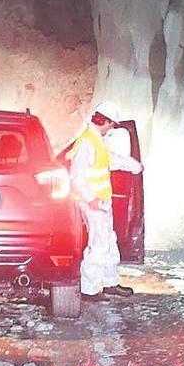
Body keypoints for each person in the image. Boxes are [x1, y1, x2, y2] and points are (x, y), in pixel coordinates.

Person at [65, 101, 144, 301]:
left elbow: (110, 159)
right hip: (92, 203)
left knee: (109, 242)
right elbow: (77, 177)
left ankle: (110, 283)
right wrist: (91, 199)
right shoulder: (86, 142)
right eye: (112, 124)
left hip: (101, 202)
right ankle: (88, 290)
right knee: (98, 245)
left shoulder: (95, 140)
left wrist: (133, 166)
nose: (112, 128)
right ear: (105, 121)